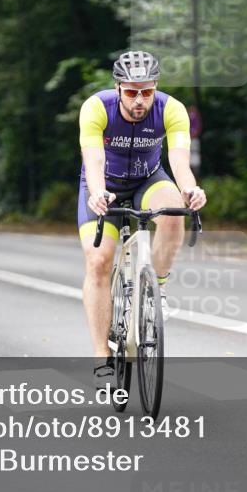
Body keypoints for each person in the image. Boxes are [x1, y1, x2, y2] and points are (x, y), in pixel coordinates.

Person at [78, 50, 207, 387]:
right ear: (118, 88)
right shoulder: (96, 108)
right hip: (104, 185)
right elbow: (92, 159)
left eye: (146, 92)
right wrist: (97, 192)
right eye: (132, 92)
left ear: (155, 88)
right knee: (98, 261)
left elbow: (179, 160)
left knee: (174, 210)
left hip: (148, 179)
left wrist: (192, 189)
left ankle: (157, 286)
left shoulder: (171, 109)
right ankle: (100, 354)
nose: (139, 100)